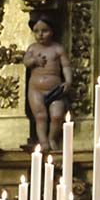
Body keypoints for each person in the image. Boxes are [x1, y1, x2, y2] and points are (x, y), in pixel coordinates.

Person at [23, 13, 71, 151]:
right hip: (36, 89)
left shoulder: (57, 49)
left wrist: (68, 81)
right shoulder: (32, 48)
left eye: (45, 31)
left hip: (55, 89)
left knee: (56, 115)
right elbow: (26, 62)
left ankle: (52, 138)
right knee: (40, 115)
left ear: (52, 31)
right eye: (36, 31)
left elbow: (66, 66)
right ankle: (43, 141)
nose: (40, 35)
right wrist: (34, 61)